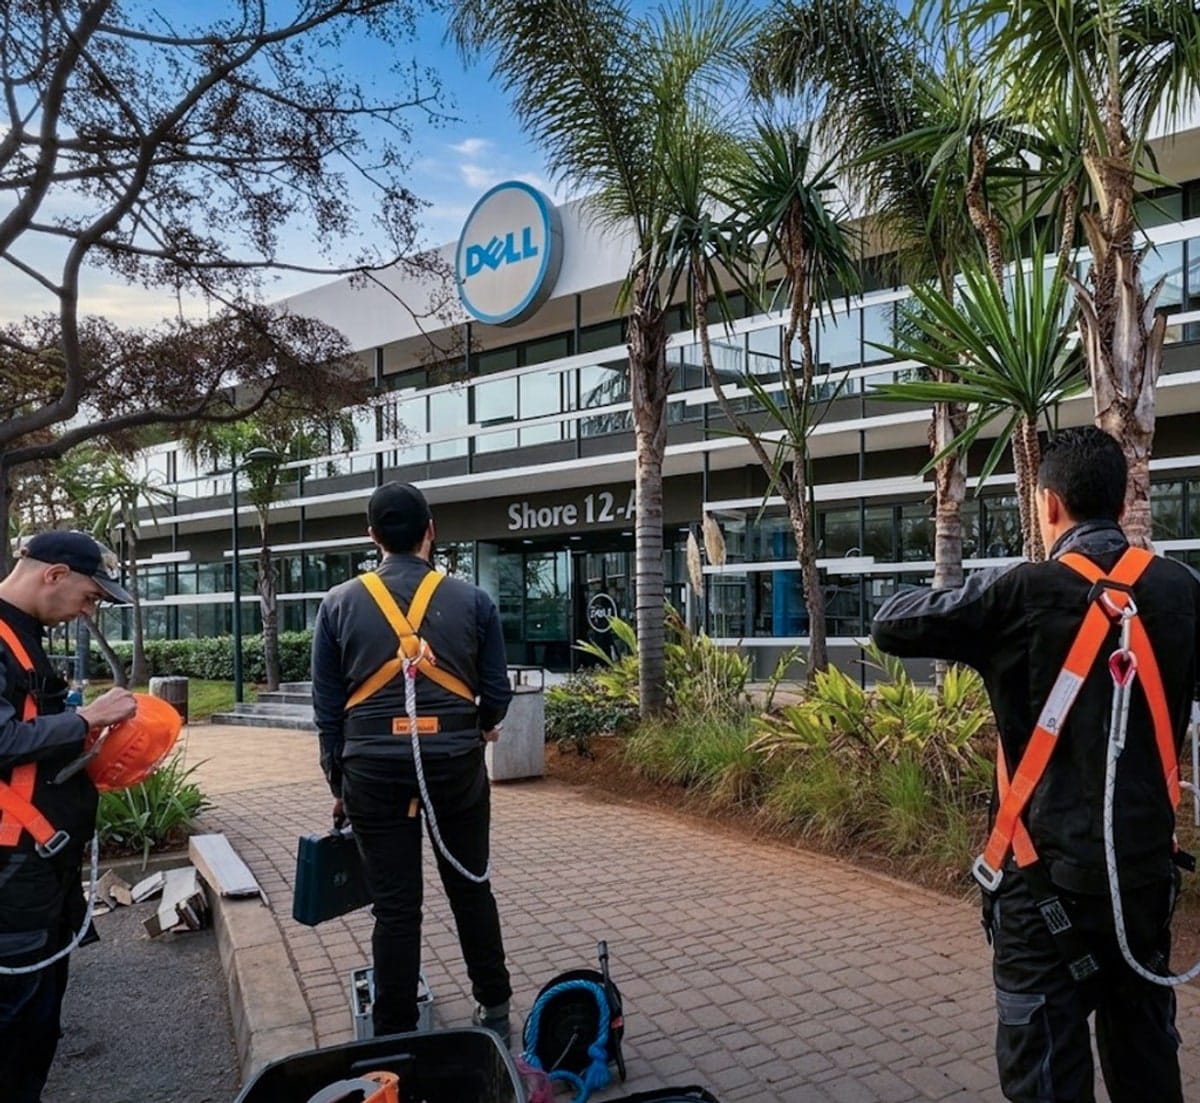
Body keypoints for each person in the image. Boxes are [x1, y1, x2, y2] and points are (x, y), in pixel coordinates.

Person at [871, 426, 1200, 1103]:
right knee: (1146, 1064)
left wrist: (980, 595)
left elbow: (892, 622)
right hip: (1141, 881)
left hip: (1037, 890)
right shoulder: (1179, 591)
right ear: (1122, 498)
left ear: (1047, 504)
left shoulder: (1020, 594)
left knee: (1045, 1075)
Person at [311, 482, 514, 1042]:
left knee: (396, 908)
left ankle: (394, 1036)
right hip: (454, 765)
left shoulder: (337, 604)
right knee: (471, 886)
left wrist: (338, 782)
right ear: (432, 532)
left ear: (372, 536)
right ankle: (495, 1009)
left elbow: (328, 713)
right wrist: (479, 726)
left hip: (371, 772)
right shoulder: (474, 601)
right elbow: (497, 691)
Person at [0, 531, 138, 1102]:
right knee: (13, 1032)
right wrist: (86, 721)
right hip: (12, 873)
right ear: (53, 575)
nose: (89, 611)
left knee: (36, 1027)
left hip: (40, 865)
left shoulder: (23, 636)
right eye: (89, 597)